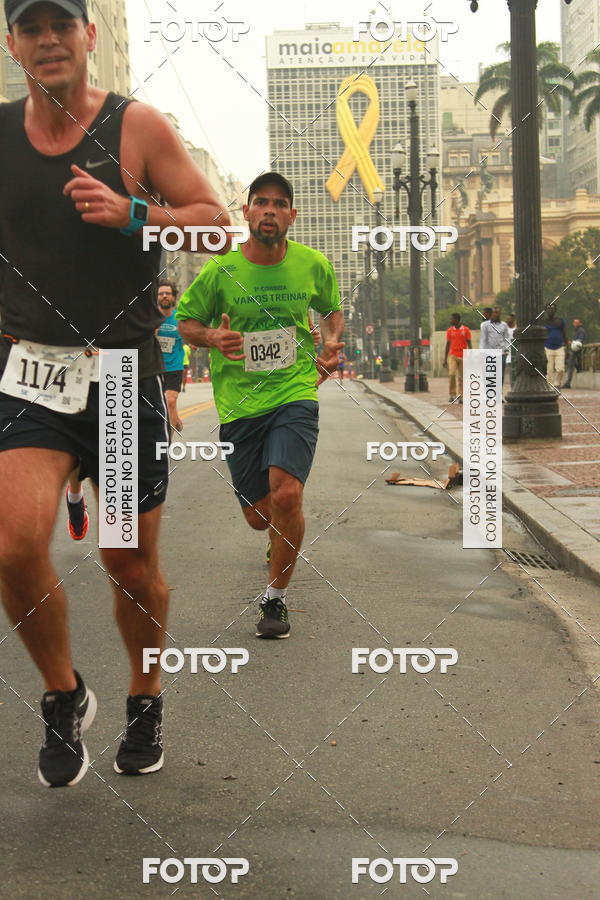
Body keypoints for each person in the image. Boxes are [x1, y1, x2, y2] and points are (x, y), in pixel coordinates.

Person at [0, 0, 230, 787]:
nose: (48, 40)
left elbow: (213, 226)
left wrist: (134, 214)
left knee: (128, 561)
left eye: (62, 25)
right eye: (31, 28)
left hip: (123, 373)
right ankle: (64, 695)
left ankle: (145, 695)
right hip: (31, 372)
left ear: (88, 37)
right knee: (13, 542)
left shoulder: (137, 127)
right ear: (13, 43)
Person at [177, 172, 344, 639]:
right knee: (259, 516)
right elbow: (185, 320)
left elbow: (331, 309)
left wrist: (332, 340)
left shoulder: (312, 264)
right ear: (247, 212)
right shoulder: (220, 271)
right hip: (239, 405)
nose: (269, 210)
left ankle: (275, 602)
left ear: (291, 215)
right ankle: (279, 540)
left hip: (294, 391)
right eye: (261, 202)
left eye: (279, 204)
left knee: (287, 492)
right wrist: (212, 336)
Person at [156, 280, 184, 437]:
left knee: (170, 401)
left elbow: (190, 336)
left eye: (168, 293)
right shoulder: (151, 318)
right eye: (161, 294)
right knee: (161, 408)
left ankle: (167, 445)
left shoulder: (180, 318)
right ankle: (174, 418)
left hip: (175, 367)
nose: (164, 296)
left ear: (173, 297)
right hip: (155, 368)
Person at [443, 313, 472, 403]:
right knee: (452, 374)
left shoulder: (466, 330)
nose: (450, 321)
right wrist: (445, 359)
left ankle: (461, 396)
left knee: (461, 377)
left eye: (452, 319)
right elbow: (447, 345)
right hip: (453, 355)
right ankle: (452, 394)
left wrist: (471, 355)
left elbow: (469, 343)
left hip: (464, 356)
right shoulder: (450, 330)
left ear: (457, 319)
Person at [480, 306, 511, 385]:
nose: (495, 314)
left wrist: (507, 350)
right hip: (489, 354)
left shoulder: (504, 325)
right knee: (489, 375)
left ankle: (499, 395)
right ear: (491, 314)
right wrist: (482, 352)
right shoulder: (485, 325)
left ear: (500, 314)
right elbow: (483, 340)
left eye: (497, 312)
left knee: (500, 376)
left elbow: (507, 338)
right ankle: (489, 395)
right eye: (494, 312)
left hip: (501, 354)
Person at [544, 305, 567, 387]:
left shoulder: (560, 321)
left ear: (555, 310)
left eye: (552, 309)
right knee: (549, 371)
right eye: (549, 309)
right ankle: (550, 388)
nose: (550, 310)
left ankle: (557, 384)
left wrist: (566, 346)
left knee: (560, 369)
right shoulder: (543, 322)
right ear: (546, 311)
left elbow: (564, 333)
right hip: (547, 348)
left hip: (559, 347)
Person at [561, 319, 586, 389]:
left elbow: (580, 340)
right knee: (571, 363)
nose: (574, 324)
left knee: (570, 365)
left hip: (576, 349)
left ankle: (568, 383)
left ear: (579, 323)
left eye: (576, 323)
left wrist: (573, 343)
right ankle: (578, 367)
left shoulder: (581, 330)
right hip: (574, 349)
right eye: (574, 323)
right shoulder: (577, 330)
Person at [506, 313, 516, 385]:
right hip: (508, 354)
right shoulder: (505, 329)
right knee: (512, 372)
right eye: (507, 319)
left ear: (513, 319)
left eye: (509, 319)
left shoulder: (517, 329)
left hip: (516, 352)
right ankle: (512, 387)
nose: (507, 320)